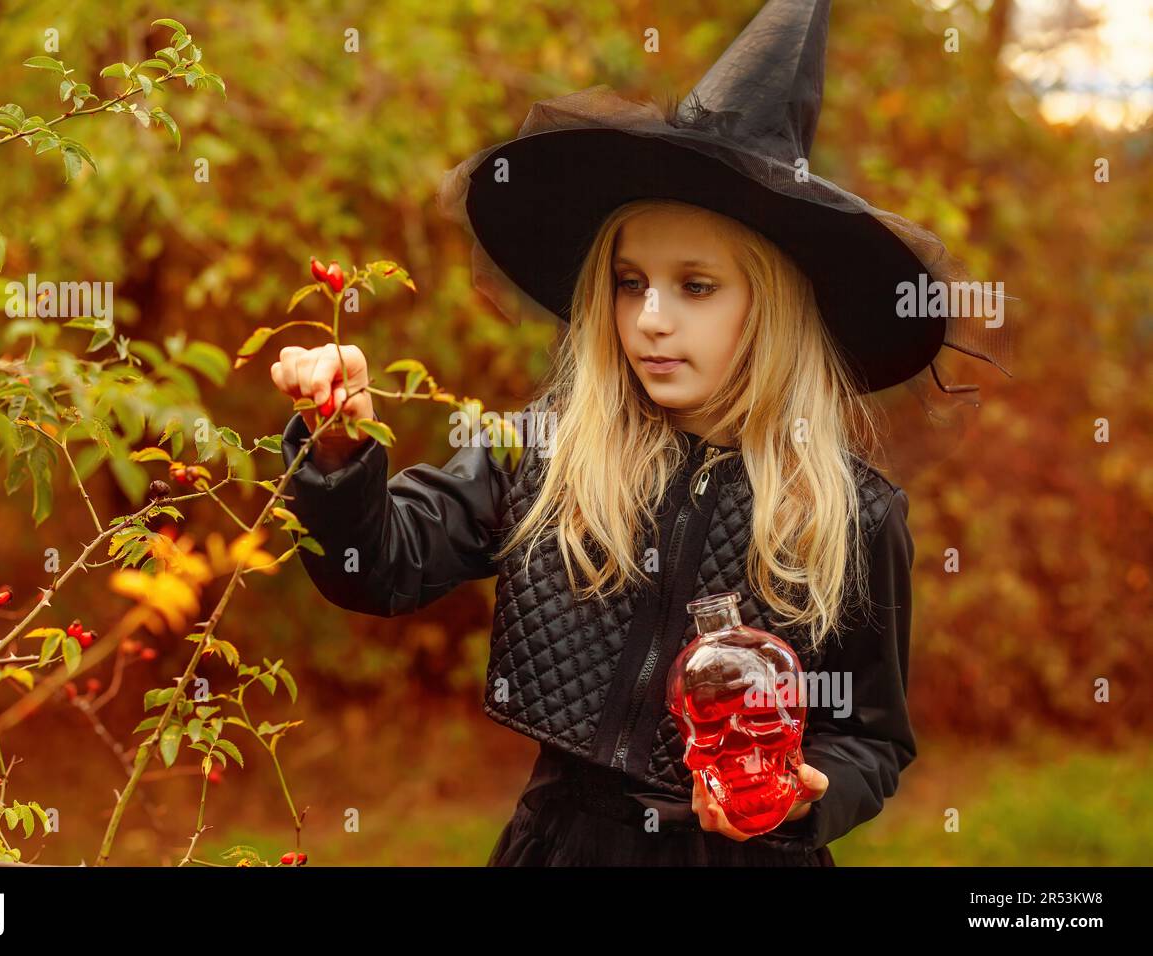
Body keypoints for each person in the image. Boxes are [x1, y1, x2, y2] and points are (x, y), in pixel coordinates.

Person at [270, 0, 1010, 866]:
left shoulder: (849, 514)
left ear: (770, 311)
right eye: (631, 282)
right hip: (564, 844)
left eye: (696, 287)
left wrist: (813, 794)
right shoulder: (545, 453)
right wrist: (338, 455)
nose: (652, 319)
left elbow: (871, 739)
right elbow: (380, 565)